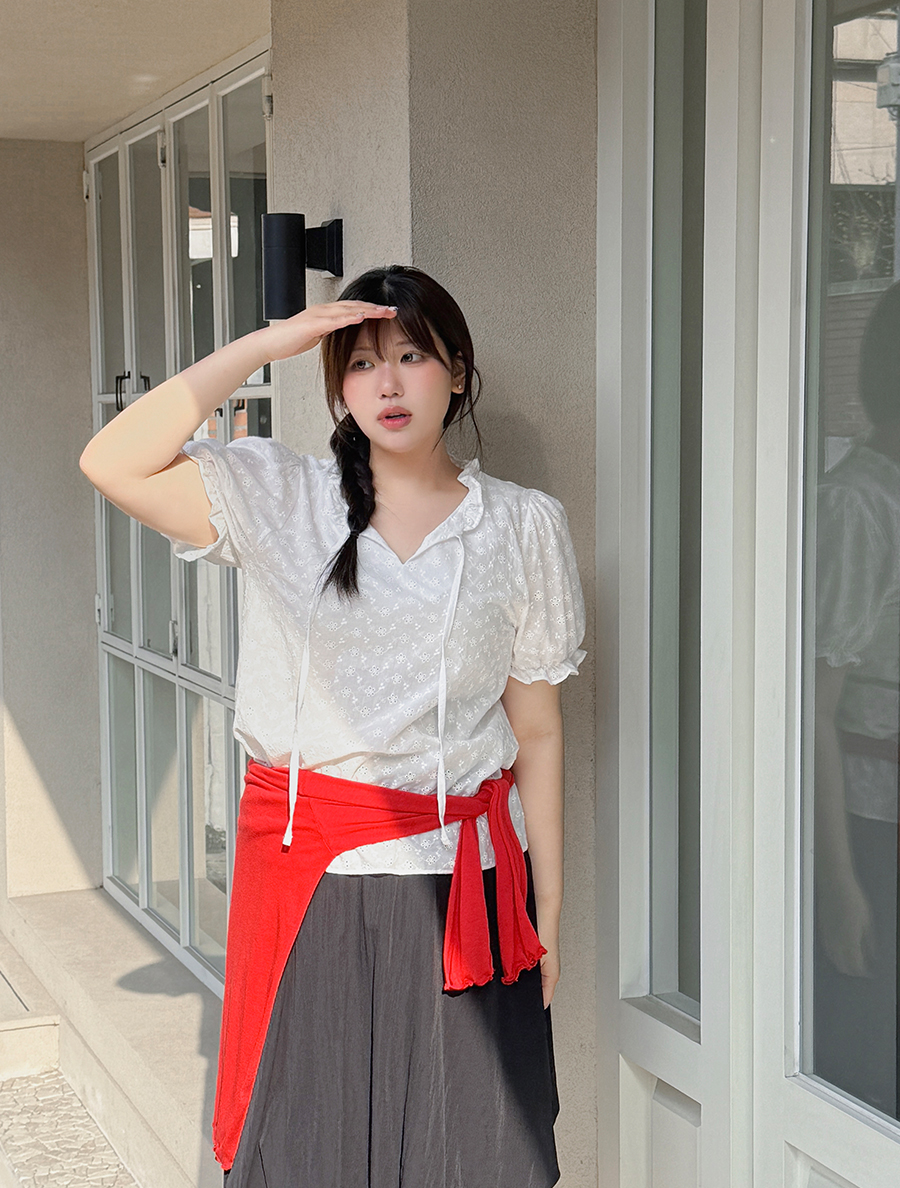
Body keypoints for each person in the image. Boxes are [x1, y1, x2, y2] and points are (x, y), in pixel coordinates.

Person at [79, 264, 586, 1187]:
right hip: (319, 883)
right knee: (316, 1153)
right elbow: (112, 461)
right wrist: (265, 346)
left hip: (470, 890)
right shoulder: (284, 499)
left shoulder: (522, 526)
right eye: (359, 364)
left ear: (458, 372)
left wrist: (545, 909)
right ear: (337, 388)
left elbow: (539, 732)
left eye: (412, 357)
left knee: (471, 1158)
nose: (387, 383)